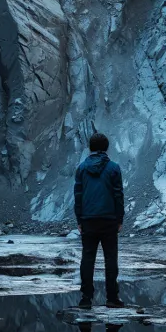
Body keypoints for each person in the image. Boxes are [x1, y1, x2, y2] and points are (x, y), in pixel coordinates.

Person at [74, 131, 124, 309]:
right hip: (109, 219)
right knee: (111, 259)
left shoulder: (81, 168)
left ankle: (86, 299)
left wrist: (79, 220)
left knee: (87, 259)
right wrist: (120, 219)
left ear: (90, 148)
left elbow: (78, 195)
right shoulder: (113, 168)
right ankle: (112, 298)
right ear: (106, 148)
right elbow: (118, 195)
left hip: (88, 219)